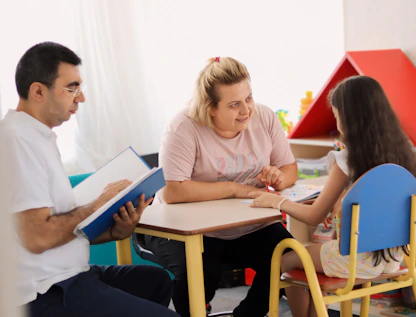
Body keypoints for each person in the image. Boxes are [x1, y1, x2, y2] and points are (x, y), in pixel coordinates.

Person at [0, 42, 178, 317]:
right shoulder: (16, 142)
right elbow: (37, 237)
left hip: (70, 273)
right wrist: (98, 204)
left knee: (156, 282)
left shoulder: (38, 137)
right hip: (45, 290)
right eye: (72, 88)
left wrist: (113, 232)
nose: (80, 98)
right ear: (38, 91)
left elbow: (56, 227)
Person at [249, 75, 416, 317]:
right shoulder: (403, 154)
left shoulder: (347, 159)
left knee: (287, 258)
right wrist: (343, 198)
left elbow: (313, 216)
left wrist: (278, 201)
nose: (336, 121)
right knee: (313, 257)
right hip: (391, 258)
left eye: (337, 115)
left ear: (349, 118)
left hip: (355, 260)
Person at [144, 57, 298, 317]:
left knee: (290, 259)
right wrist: (235, 189)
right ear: (210, 108)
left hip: (246, 224)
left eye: (248, 98)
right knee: (202, 273)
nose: (246, 110)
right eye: (234, 104)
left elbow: (289, 168)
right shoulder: (183, 127)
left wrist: (279, 178)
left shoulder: (264, 116)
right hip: (188, 229)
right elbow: (174, 191)